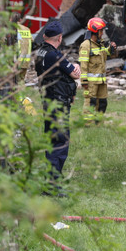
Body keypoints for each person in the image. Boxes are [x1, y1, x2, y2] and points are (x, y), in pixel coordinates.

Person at [35, 20, 81, 188]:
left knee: (51, 140)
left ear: (45, 36)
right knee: (59, 142)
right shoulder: (54, 55)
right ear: (60, 37)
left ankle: (51, 179)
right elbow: (75, 74)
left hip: (48, 101)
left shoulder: (40, 52)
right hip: (58, 104)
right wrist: (75, 66)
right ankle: (52, 184)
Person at [79, 17, 116, 121]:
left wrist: (111, 49)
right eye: (101, 31)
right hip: (91, 83)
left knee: (103, 103)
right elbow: (83, 64)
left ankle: (98, 123)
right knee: (90, 103)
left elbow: (106, 54)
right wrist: (84, 81)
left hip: (101, 81)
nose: (102, 33)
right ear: (95, 31)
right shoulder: (86, 45)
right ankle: (87, 124)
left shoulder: (101, 44)